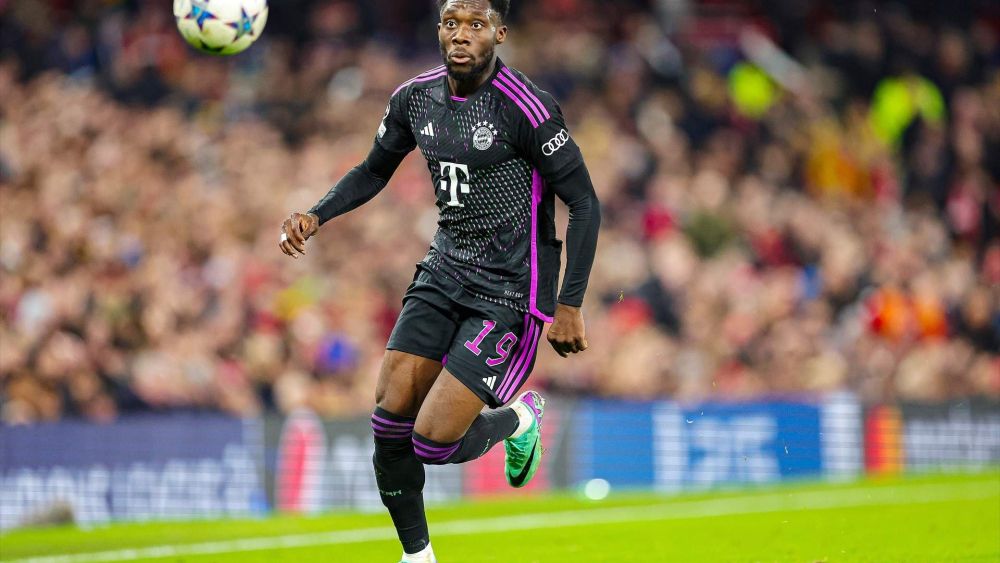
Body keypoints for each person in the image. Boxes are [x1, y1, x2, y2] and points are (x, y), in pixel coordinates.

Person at [279, 1, 601, 560]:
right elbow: (375, 168)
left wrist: (569, 303)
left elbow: (585, 203)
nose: (461, 35)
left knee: (430, 442)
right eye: (451, 23)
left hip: (510, 291)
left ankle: (519, 418)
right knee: (387, 423)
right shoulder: (415, 97)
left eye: (476, 24)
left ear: (499, 33)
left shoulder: (528, 109)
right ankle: (417, 556)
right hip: (443, 271)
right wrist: (316, 214)